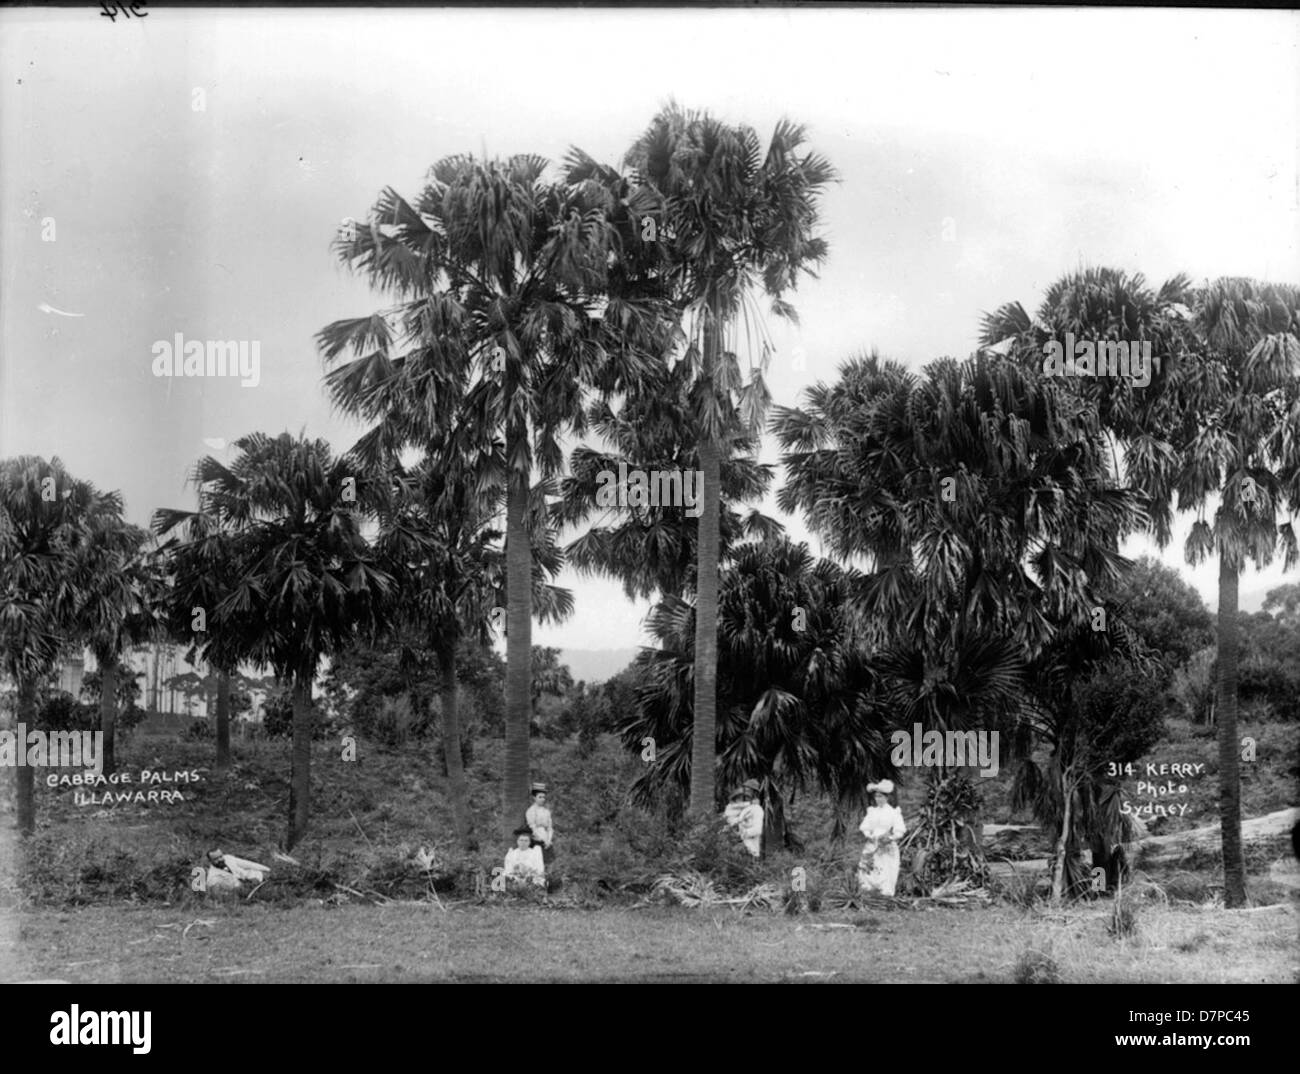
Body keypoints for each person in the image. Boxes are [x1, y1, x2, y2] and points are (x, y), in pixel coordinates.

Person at [858, 780, 906, 896]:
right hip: (872, 842)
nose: (878, 799)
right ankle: (868, 892)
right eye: (876, 797)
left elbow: (899, 830)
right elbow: (865, 827)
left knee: (885, 869)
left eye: (880, 797)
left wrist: (890, 838)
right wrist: (869, 836)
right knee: (869, 867)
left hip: (886, 844)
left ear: (886, 797)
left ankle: (884, 894)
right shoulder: (872, 811)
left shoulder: (893, 812)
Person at [724, 779, 764, 857]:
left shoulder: (756, 809)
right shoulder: (733, 808)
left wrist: (741, 834)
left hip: (748, 848)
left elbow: (757, 830)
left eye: (749, 790)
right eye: (738, 798)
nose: (740, 799)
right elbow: (728, 818)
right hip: (732, 846)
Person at [525, 782, 555, 871]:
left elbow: (550, 828)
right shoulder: (531, 811)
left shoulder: (546, 811)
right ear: (534, 798)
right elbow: (532, 827)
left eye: (544, 797)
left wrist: (548, 840)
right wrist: (542, 840)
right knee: (537, 864)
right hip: (536, 840)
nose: (542, 799)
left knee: (549, 864)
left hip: (546, 839)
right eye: (540, 797)